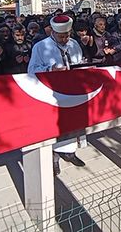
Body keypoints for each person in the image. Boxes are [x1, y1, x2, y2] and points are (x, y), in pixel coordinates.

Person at [27, 15, 86, 175]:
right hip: (52, 93)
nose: (65, 39)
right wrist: (50, 70)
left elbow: (79, 62)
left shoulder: (74, 44)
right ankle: (54, 160)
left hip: (73, 91)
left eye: (67, 35)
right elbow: (31, 70)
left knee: (73, 124)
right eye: (61, 36)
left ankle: (70, 153)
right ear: (52, 31)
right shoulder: (40, 47)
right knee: (56, 127)